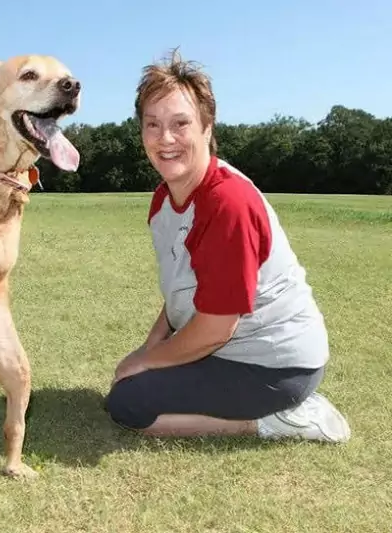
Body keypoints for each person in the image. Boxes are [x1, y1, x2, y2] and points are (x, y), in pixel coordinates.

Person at [102, 48, 351, 443]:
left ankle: (283, 420)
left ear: (206, 127)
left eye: (180, 123)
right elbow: (182, 292)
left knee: (128, 404)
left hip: (275, 365)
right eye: (152, 124)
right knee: (133, 385)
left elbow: (216, 327)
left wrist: (145, 362)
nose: (165, 139)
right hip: (230, 350)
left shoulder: (228, 203)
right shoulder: (164, 200)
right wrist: (146, 350)